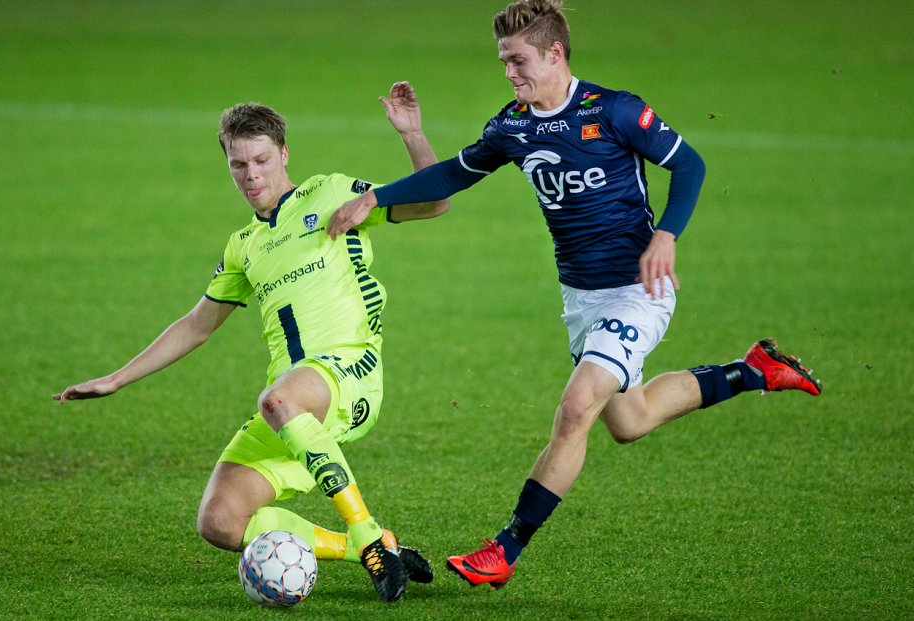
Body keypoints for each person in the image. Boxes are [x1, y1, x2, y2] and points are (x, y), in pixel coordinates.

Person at [327, 0, 822, 589]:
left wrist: (665, 235)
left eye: (518, 61)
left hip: (638, 291)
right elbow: (454, 175)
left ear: (554, 53)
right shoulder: (512, 126)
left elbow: (689, 166)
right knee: (629, 421)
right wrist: (377, 194)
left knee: (576, 407)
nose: (510, 73)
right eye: (504, 63)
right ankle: (753, 371)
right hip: (581, 300)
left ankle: (504, 549)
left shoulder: (614, 110)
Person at [54, 82, 449, 602]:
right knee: (220, 521)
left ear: (284, 154)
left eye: (261, 160)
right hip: (288, 401)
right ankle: (367, 549)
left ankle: (367, 535)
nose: (252, 175)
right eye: (238, 165)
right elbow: (197, 324)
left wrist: (413, 135)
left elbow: (435, 202)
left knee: (278, 398)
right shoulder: (244, 246)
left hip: (348, 373)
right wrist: (116, 378)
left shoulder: (330, 193)